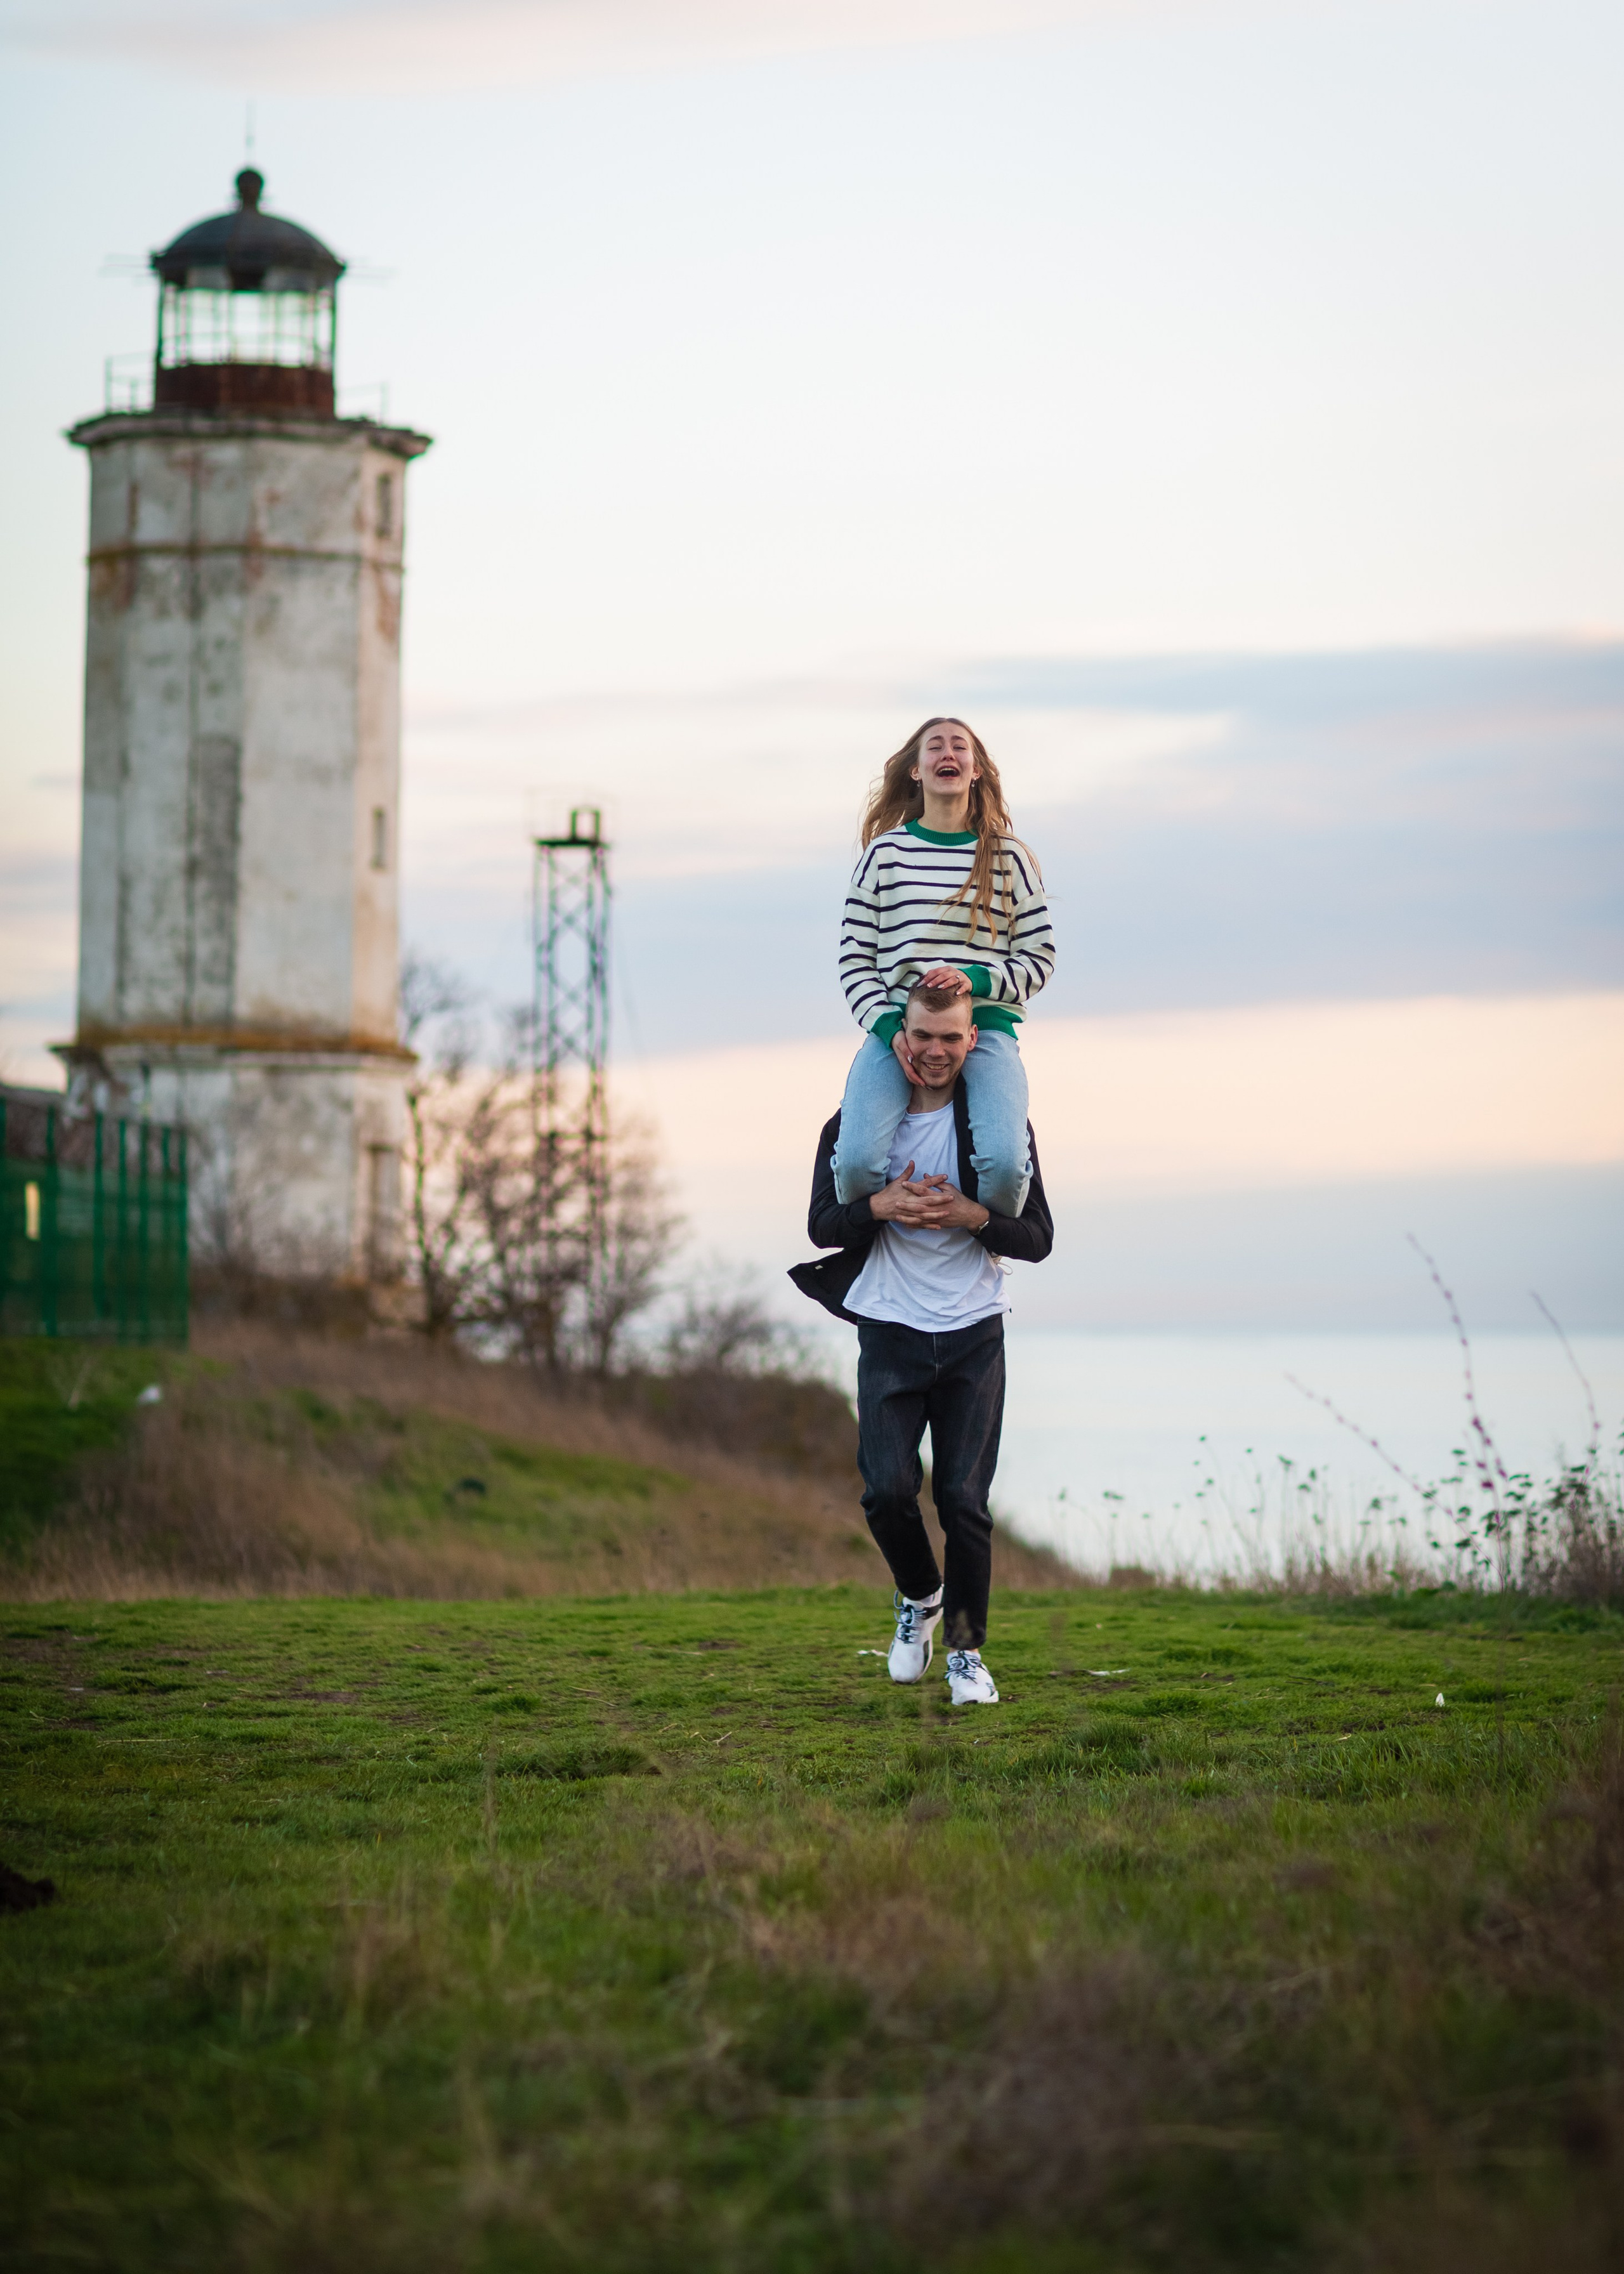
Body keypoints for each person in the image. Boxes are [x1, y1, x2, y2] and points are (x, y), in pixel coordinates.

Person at [789, 981, 1053, 1705]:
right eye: (921, 1038)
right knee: (885, 1491)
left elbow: (1038, 1240)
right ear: (898, 1040)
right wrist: (877, 1206)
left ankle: (967, 1654)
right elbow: (822, 1225)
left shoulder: (1000, 1135)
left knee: (964, 1500)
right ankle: (919, 1597)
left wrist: (974, 1216)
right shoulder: (853, 1130)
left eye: (949, 1039)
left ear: (972, 1044)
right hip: (890, 1328)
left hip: (973, 1334)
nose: (934, 1052)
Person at [835, 717, 1054, 1223]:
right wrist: (890, 1030)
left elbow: (1040, 956)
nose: (948, 753)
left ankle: (984, 1243)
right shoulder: (883, 855)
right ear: (916, 769)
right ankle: (880, 1254)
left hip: (986, 1029)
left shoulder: (1008, 858)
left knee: (1003, 1165)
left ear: (976, 771)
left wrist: (976, 980)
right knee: (855, 1164)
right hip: (898, 1027)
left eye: (961, 747)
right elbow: (854, 959)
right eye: (936, 746)